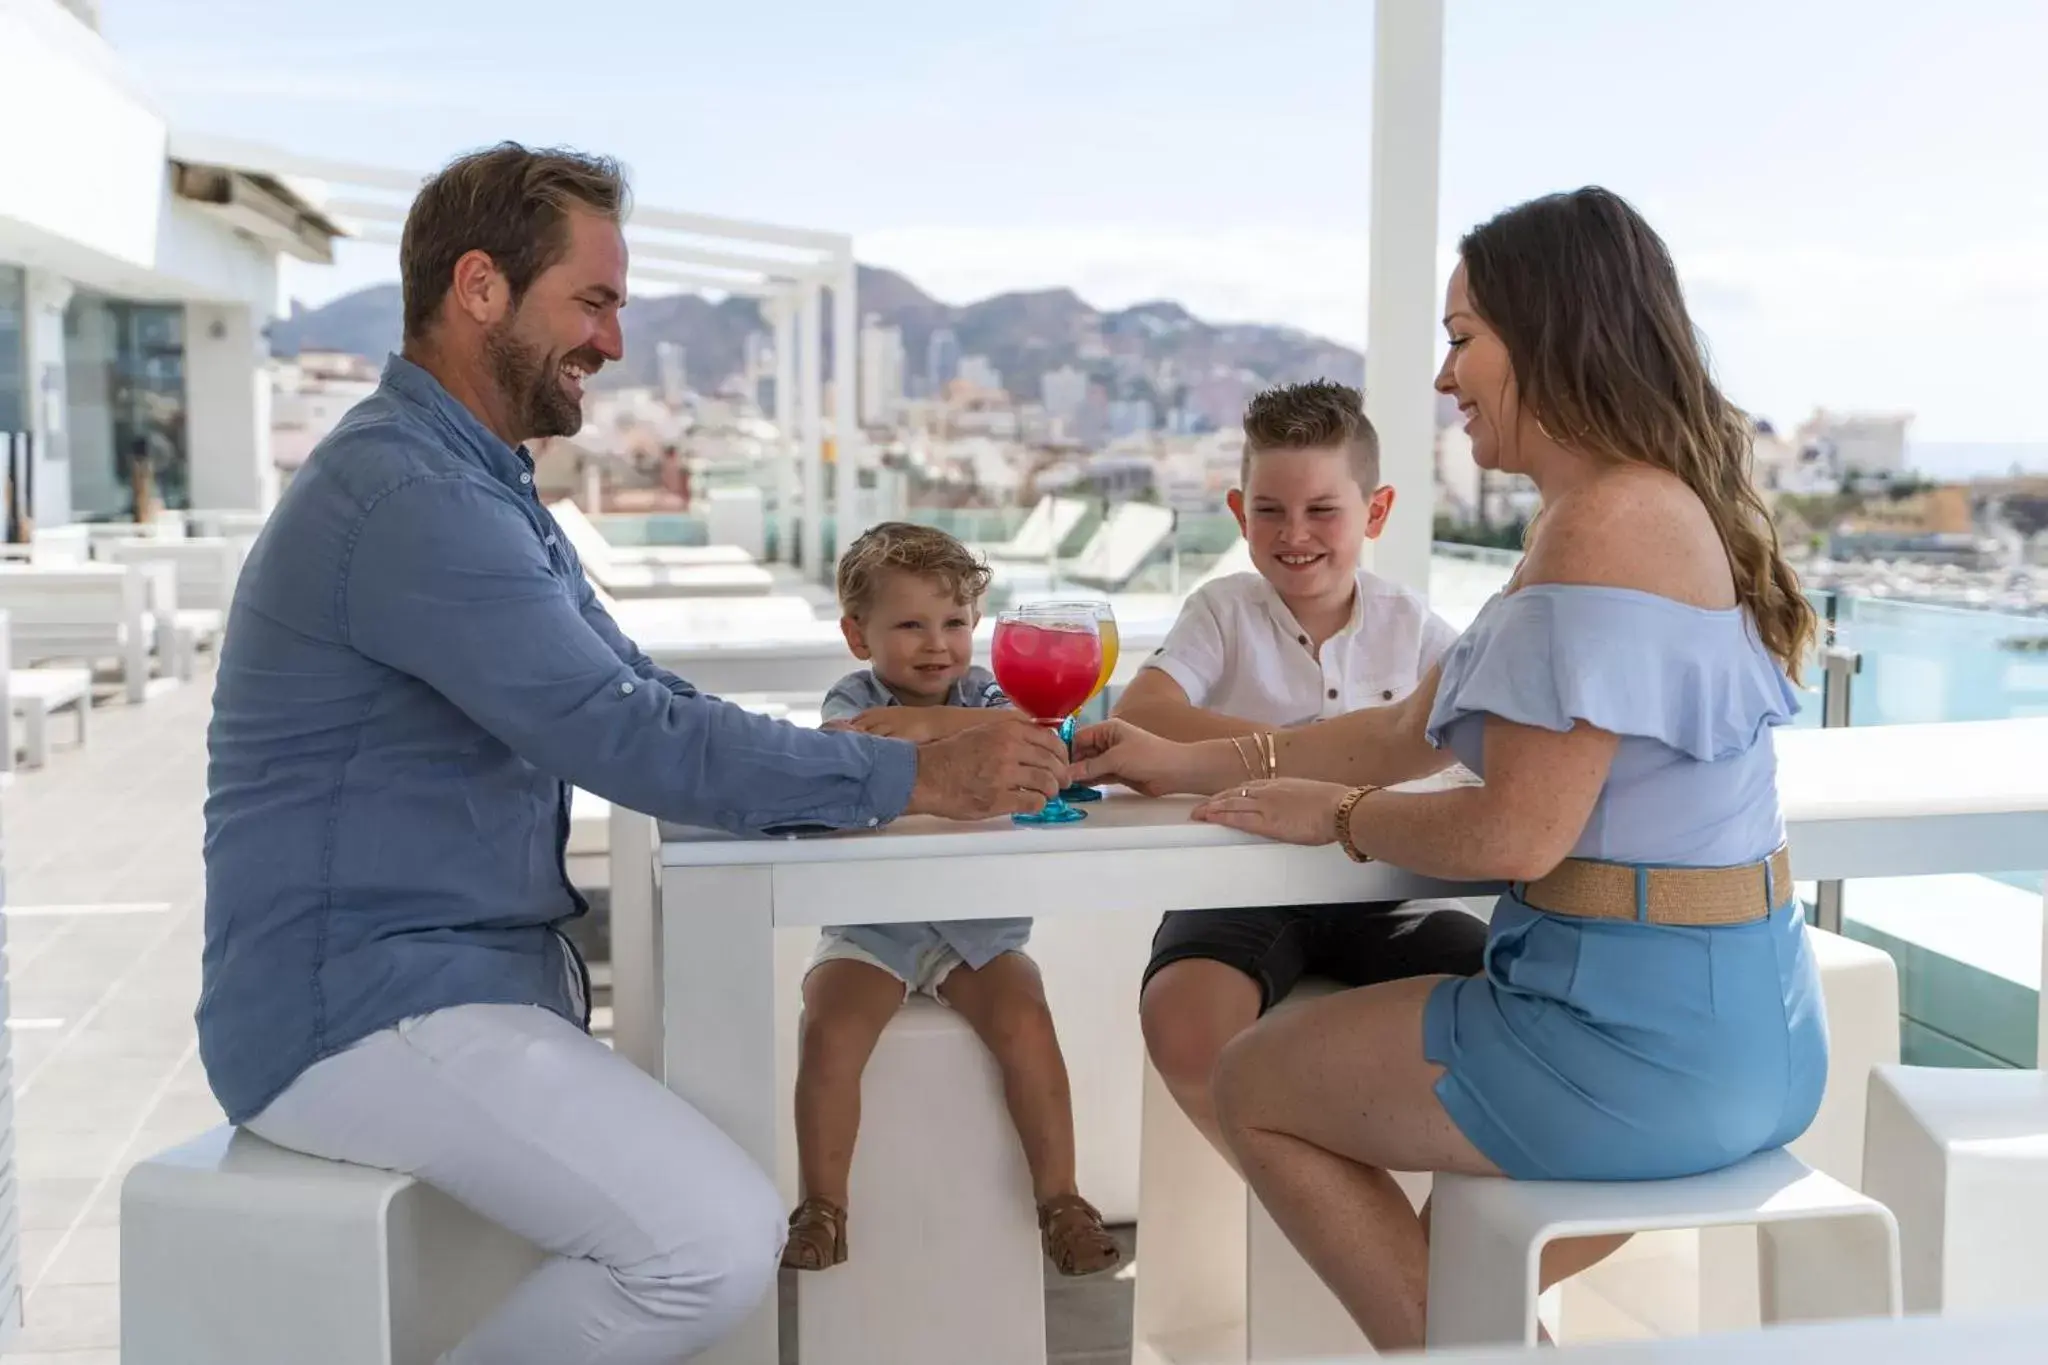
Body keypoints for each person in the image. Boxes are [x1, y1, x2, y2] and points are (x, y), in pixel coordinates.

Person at [198, 143, 1070, 1365]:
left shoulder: (477, 484)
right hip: (359, 1012)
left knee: (700, 1184)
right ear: (482, 289)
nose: (613, 343)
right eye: (594, 303)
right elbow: (624, 736)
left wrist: (868, 750)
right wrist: (911, 775)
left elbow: (641, 693)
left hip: (440, 992)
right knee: (708, 1240)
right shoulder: (410, 500)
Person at [1069, 186, 1823, 1351]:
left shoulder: (1602, 527)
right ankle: (1488, 1333)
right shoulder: (1636, 511)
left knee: (1254, 1086)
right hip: (1748, 1029)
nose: (1441, 377)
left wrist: (1342, 819)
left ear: (1554, 332)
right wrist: (1179, 761)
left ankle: (1472, 1348)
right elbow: (1399, 731)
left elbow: (1512, 835)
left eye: (1462, 337)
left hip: (1630, 1046)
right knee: (1414, 1212)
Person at [1112, 380, 1485, 1157]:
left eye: (1323, 510)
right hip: (1239, 887)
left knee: (1500, 991)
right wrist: (1319, 758)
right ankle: (1311, 1200)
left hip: (1386, 890)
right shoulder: (1222, 611)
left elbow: (1481, 737)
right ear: (1239, 511)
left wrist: (1280, 767)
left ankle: (1373, 1201)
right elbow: (1143, 713)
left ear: (1374, 512)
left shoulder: (1413, 624)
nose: (1295, 533)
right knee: (1182, 1020)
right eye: (1271, 510)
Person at [786, 522, 1121, 1277]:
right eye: (909, 624)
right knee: (830, 1032)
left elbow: (1050, 735)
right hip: (874, 928)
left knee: (1027, 1023)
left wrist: (927, 724)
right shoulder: (854, 696)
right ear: (855, 634)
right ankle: (822, 1207)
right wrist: (939, 733)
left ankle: (1062, 1202)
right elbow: (844, 748)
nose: (936, 644)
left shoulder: (995, 690)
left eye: (955, 623)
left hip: (980, 929)